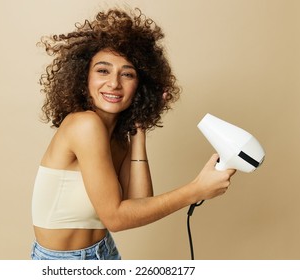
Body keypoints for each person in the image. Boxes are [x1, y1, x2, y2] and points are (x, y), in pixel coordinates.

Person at [30, 7, 236, 260]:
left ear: (140, 86)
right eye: (103, 71)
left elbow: (139, 203)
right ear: (84, 78)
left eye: (127, 74)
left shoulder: (116, 137)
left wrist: (139, 129)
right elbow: (116, 218)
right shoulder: (84, 125)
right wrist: (195, 190)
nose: (115, 83)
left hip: (103, 252)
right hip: (65, 262)